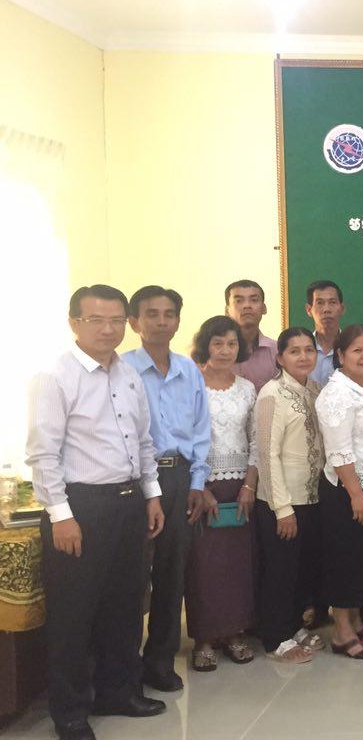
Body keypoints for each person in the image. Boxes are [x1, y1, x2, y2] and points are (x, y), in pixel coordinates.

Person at [26, 284, 167, 740]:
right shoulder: (55, 376)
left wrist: (152, 495)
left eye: (114, 320)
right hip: (81, 507)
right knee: (74, 613)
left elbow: (143, 441)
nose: (107, 329)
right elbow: (43, 454)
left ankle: (117, 692)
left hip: (129, 503)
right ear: (74, 323)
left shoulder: (127, 373)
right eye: (95, 320)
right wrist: (61, 515)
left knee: (125, 603)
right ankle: (69, 712)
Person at [122, 286, 210, 691]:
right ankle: (122, 665)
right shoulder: (121, 370)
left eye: (169, 313)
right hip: (136, 481)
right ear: (134, 322)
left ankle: (159, 661)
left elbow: (200, 429)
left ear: (177, 320)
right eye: (151, 314)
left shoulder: (189, 370)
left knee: (173, 572)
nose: (161, 321)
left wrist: (196, 481)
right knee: (131, 576)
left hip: (179, 477)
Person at [187, 316, 259, 672]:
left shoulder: (247, 389)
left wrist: (249, 484)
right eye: (218, 343)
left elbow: (256, 440)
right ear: (206, 345)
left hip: (240, 487)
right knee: (204, 567)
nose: (225, 350)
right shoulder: (191, 385)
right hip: (201, 488)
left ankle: (234, 633)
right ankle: (203, 639)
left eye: (231, 344)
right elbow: (183, 441)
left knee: (237, 564)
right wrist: (199, 488)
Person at [316, 324, 363, 660]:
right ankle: (341, 632)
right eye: (357, 350)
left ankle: (359, 622)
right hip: (347, 491)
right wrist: (355, 493)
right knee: (344, 561)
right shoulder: (336, 393)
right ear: (341, 356)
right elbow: (339, 449)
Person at [254, 327, 326, 663]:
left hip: (311, 496)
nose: (303, 356)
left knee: (301, 569)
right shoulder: (272, 394)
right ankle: (275, 638)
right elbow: (267, 454)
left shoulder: (313, 388)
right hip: (282, 501)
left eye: (308, 350)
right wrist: (281, 508)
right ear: (280, 357)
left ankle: (294, 625)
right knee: (280, 571)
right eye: (294, 351)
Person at [306, 279, 363, 387]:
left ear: (342, 308)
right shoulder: (301, 350)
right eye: (320, 303)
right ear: (309, 309)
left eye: (332, 302)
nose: (326, 309)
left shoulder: (360, 349)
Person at [226, 279, 277, 391]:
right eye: (239, 301)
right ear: (227, 310)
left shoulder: (277, 351)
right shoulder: (214, 352)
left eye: (254, 300)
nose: (247, 305)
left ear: (264, 308)